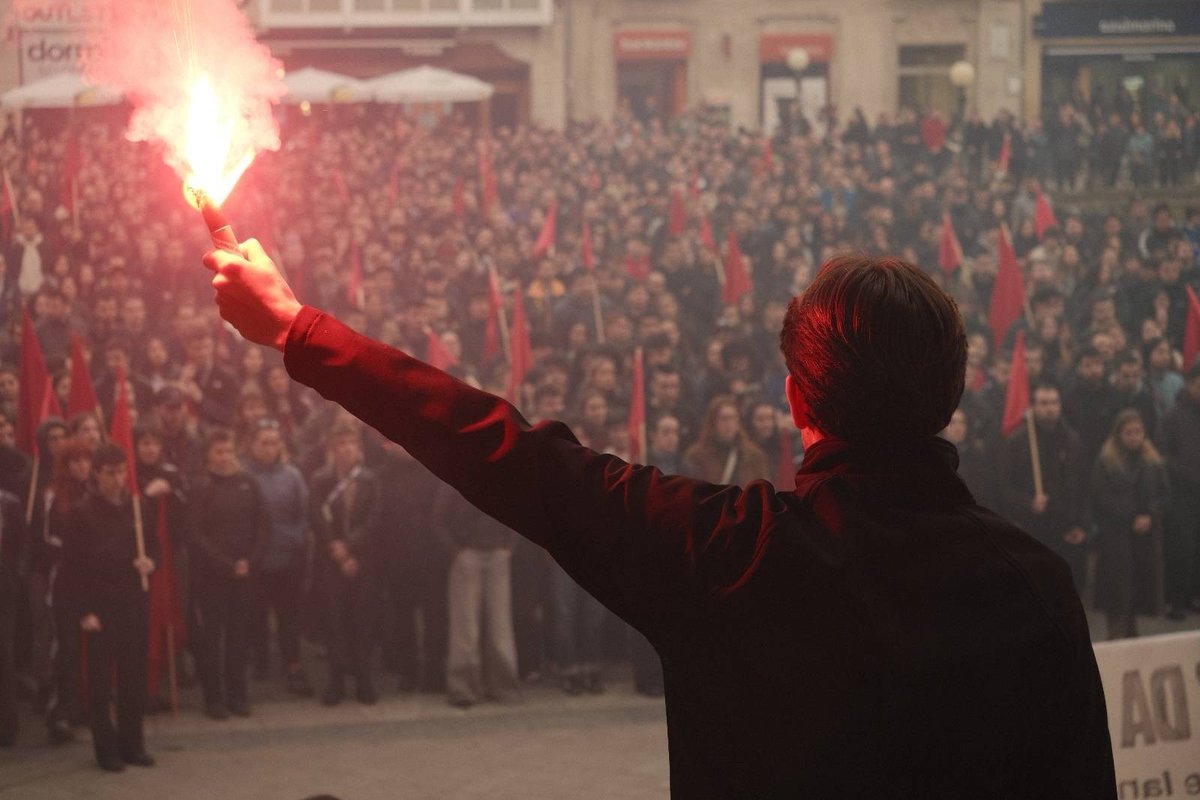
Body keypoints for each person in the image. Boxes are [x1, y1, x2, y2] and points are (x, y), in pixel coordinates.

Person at [206, 243, 1115, 794]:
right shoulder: (1035, 586)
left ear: (798, 396)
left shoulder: (732, 555)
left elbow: (511, 454)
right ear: (951, 395)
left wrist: (298, 329)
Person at [58, 443, 158, 772]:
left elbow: (153, 547)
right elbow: (71, 569)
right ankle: (106, 748)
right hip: (99, 606)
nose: (117, 479)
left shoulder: (138, 507)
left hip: (132, 603)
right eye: (111, 473)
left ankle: (133, 743)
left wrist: (149, 563)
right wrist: (83, 612)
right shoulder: (80, 512)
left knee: (134, 677)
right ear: (97, 473)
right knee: (100, 681)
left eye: (121, 472)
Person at [189, 429, 268, 719]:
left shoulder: (249, 483)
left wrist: (251, 560)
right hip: (212, 576)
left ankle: (238, 695)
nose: (225, 457)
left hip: (245, 575)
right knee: (212, 639)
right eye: (219, 451)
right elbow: (195, 533)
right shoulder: (201, 486)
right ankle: (214, 699)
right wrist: (225, 563)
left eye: (229, 451)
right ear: (209, 454)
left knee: (238, 638)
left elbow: (263, 526)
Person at [309, 423, 382, 706]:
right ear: (331, 449)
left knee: (361, 620)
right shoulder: (320, 480)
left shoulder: (371, 480)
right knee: (334, 621)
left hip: (362, 559)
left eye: (351, 444)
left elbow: (374, 520)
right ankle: (336, 681)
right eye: (340, 445)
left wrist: (350, 549)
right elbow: (317, 517)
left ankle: (363, 679)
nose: (346, 449)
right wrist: (336, 549)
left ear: (359, 450)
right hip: (330, 561)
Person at [241, 418, 313, 696]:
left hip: (287, 557)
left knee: (288, 617)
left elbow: (303, 512)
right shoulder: (244, 475)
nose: (270, 448)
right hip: (256, 558)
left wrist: (296, 540)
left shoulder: (292, 475)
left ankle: (292, 661)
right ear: (252, 444)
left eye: (274, 443)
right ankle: (260, 659)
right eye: (264, 443)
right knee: (256, 614)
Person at [433, 480, 520, 708]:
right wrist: (455, 552)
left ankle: (503, 686)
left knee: (500, 627)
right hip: (467, 554)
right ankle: (463, 688)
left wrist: (510, 545)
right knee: (465, 627)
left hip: (498, 553)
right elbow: (438, 519)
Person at [1090, 410, 1169, 640]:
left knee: (1136, 592)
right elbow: (1099, 497)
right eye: (1129, 433)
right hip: (1116, 538)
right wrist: (1130, 516)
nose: (1134, 437)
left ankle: (1132, 635)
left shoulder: (1153, 462)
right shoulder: (1106, 461)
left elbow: (1165, 495)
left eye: (1138, 432)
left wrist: (1150, 516)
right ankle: (1116, 638)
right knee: (1117, 594)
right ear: (1119, 434)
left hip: (1144, 538)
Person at [1156, 362, 1200, 620]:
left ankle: (1195, 595)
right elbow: (1162, 454)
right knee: (1180, 548)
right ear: (1190, 384)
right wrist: (1187, 472)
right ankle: (1175, 599)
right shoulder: (1172, 416)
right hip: (1181, 492)